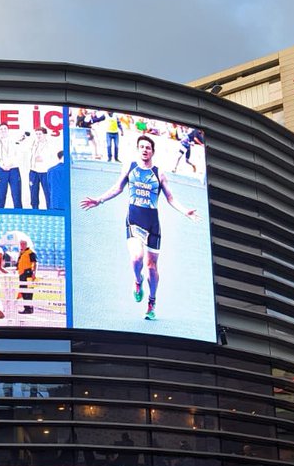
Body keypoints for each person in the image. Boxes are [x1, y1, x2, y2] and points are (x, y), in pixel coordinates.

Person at [81, 134, 199, 321]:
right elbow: (117, 188)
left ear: (153, 151)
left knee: (152, 266)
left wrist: (185, 211)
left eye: (148, 147)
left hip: (153, 224)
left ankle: (151, 303)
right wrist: (99, 200)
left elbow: (170, 198)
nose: (145, 150)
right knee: (137, 257)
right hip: (134, 220)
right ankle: (138, 281)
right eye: (142, 147)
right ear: (138, 149)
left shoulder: (159, 173)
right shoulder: (131, 167)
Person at [0, 123, 23, 208]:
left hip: (14, 169)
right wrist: (2, 165)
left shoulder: (14, 141)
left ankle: (19, 213)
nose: (3, 130)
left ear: (8, 130)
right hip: (1, 169)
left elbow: (18, 154)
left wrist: (10, 164)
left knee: (16, 193)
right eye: (1, 129)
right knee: (0, 193)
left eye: (5, 128)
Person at [28, 128, 52, 209]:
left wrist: (43, 158)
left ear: (45, 134)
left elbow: (52, 157)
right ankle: (34, 209)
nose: (38, 136)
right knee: (33, 192)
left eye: (40, 134)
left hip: (45, 171)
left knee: (47, 192)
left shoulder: (50, 144)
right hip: (33, 171)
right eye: (37, 134)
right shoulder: (34, 143)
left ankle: (50, 209)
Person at [16, 237, 37, 315]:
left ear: (26, 244)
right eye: (21, 244)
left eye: (23, 244)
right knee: (23, 291)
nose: (21, 245)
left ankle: (28, 308)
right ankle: (27, 308)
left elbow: (35, 262)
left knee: (28, 292)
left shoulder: (30, 252)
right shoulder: (22, 252)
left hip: (28, 273)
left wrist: (34, 272)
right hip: (22, 274)